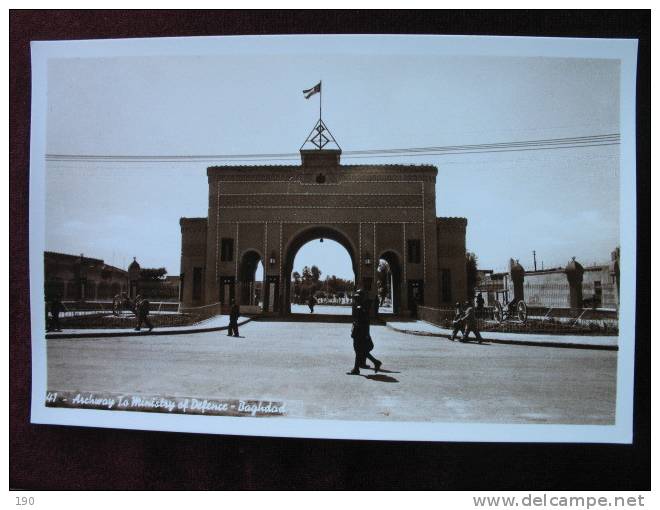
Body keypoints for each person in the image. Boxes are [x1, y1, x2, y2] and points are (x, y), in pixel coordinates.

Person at [348, 289, 382, 375]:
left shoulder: (360, 308)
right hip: (360, 332)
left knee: (359, 350)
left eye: (357, 298)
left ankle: (372, 363)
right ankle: (358, 368)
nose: (355, 299)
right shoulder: (363, 306)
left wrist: (365, 333)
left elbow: (362, 322)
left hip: (359, 333)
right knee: (359, 351)